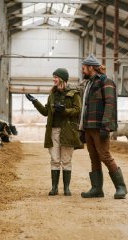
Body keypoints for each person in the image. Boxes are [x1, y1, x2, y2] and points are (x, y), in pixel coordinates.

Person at [25, 68, 83, 196]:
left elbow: (78, 110)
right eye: (53, 77)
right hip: (54, 130)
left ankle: (66, 188)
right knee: (55, 159)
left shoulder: (74, 94)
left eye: (56, 77)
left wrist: (64, 111)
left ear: (62, 78)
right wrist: (35, 101)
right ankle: (54, 188)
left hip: (68, 130)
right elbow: (46, 112)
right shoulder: (52, 95)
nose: (54, 79)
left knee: (66, 159)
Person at [79, 54, 128, 199]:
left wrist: (105, 126)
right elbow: (85, 108)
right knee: (94, 158)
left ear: (90, 67)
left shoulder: (106, 82)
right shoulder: (88, 84)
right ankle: (96, 189)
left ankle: (121, 188)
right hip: (88, 126)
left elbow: (110, 105)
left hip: (100, 126)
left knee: (105, 156)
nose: (82, 71)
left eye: (84, 68)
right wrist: (82, 128)